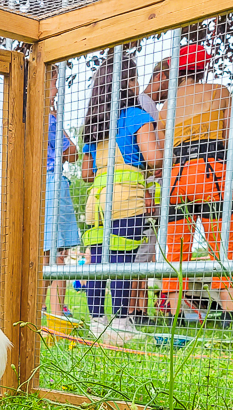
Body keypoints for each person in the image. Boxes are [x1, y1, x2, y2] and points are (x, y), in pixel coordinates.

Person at [81, 53, 163, 343]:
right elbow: (155, 158)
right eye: (135, 77)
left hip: (97, 204)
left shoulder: (94, 125)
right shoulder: (136, 117)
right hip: (127, 200)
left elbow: (86, 174)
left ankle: (96, 323)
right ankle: (121, 324)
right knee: (123, 261)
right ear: (128, 83)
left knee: (98, 262)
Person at [157, 44, 233, 326]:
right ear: (202, 67)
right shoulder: (220, 91)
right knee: (220, 240)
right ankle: (229, 311)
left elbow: (161, 146)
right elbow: (228, 136)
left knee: (176, 244)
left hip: (177, 174)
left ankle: (174, 312)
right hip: (211, 169)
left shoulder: (167, 105)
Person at [130, 59, 171, 326]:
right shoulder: (144, 104)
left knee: (148, 250)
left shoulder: (152, 106)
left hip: (151, 189)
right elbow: (146, 154)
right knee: (142, 252)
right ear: (161, 76)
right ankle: (136, 310)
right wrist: (147, 190)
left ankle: (142, 309)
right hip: (145, 189)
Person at [43, 64, 80, 318]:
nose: (57, 91)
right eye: (55, 83)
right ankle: (56, 311)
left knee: (50, 251)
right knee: (56, 253)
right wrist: (57, 118)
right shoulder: (49, 118)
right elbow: (73, 152)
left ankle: (42, 307)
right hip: (52, 183)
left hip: (43, 184)